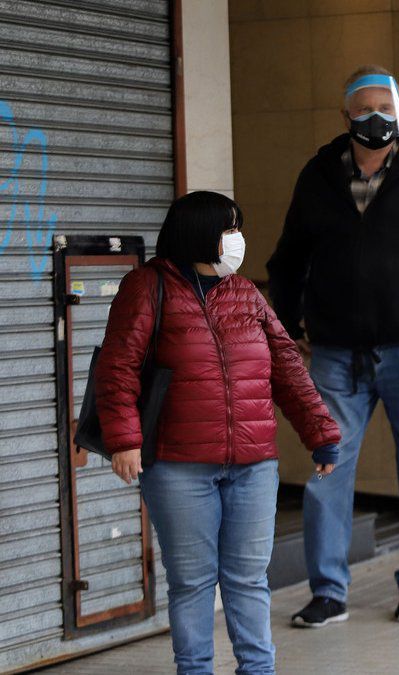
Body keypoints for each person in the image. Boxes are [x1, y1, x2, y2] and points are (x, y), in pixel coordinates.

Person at [268, 65, 399, 627]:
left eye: (384, 107)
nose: (374, 118)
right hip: (336, 353)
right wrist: (291, 328)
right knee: (328, 469)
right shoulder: (317, 176)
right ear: (345, 116)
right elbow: (288, 261)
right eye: (362, 109)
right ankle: (329, 592)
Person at [96, 191, 342, 674]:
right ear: (199, 233)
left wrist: (321, 432)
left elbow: (288, 369)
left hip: (253, 465)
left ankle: (257, 669)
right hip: (177, 465)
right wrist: (124, 440)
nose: (237, 239)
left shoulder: (246, 293)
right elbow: (117, 367)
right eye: (229, 228)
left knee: (248, 579)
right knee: (191, 581)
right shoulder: (147, 287)